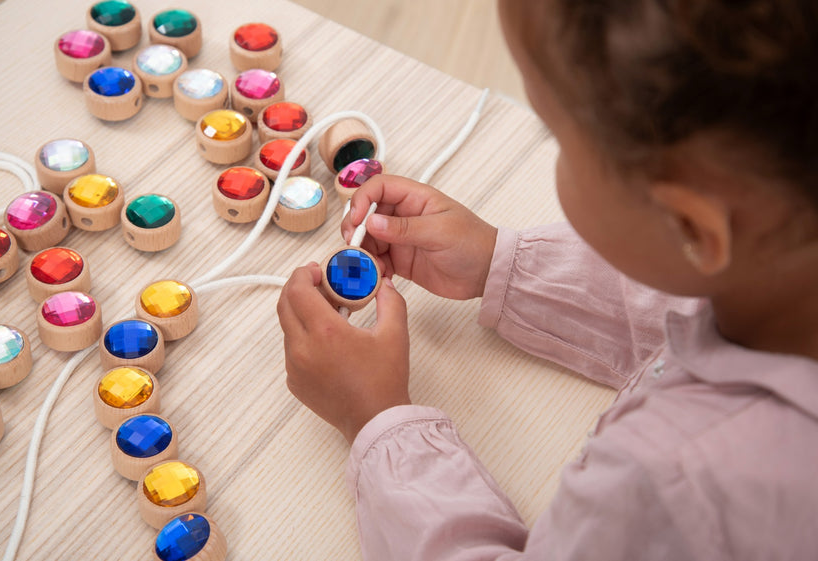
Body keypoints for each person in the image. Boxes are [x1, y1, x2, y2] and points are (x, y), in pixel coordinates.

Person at [276, 0, 818, 558]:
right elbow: (680, 306)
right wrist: (500, 264)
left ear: (689, 225)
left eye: (557, 137)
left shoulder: (667, 488)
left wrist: (375, 416)